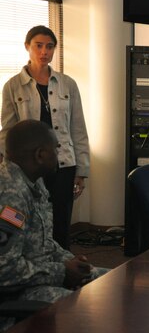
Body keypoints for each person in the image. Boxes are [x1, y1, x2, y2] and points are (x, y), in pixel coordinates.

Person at [0, 120, 106, 331]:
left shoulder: (33, 180)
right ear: (40, 155)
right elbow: (5, 270)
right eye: (56, 148)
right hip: (16, 295)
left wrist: (70, 261)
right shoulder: (10, 196)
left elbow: (43, 242)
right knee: (96, 308)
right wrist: (62, 272)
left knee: (111, 282)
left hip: (39, 278)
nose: (60, 153)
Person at [0, 25, 89, 249]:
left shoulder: (67, 83)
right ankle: (36, 269)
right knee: (30, 220)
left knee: (60, 222)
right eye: (38, 46)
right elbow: (8, 132)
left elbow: (78, 128)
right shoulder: (13, 86)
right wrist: (8, 169)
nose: (44, 52)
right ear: (27, 47)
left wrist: (82, 170)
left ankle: (64, 270)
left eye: (49, 47)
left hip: (63, 162)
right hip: (28, 167)